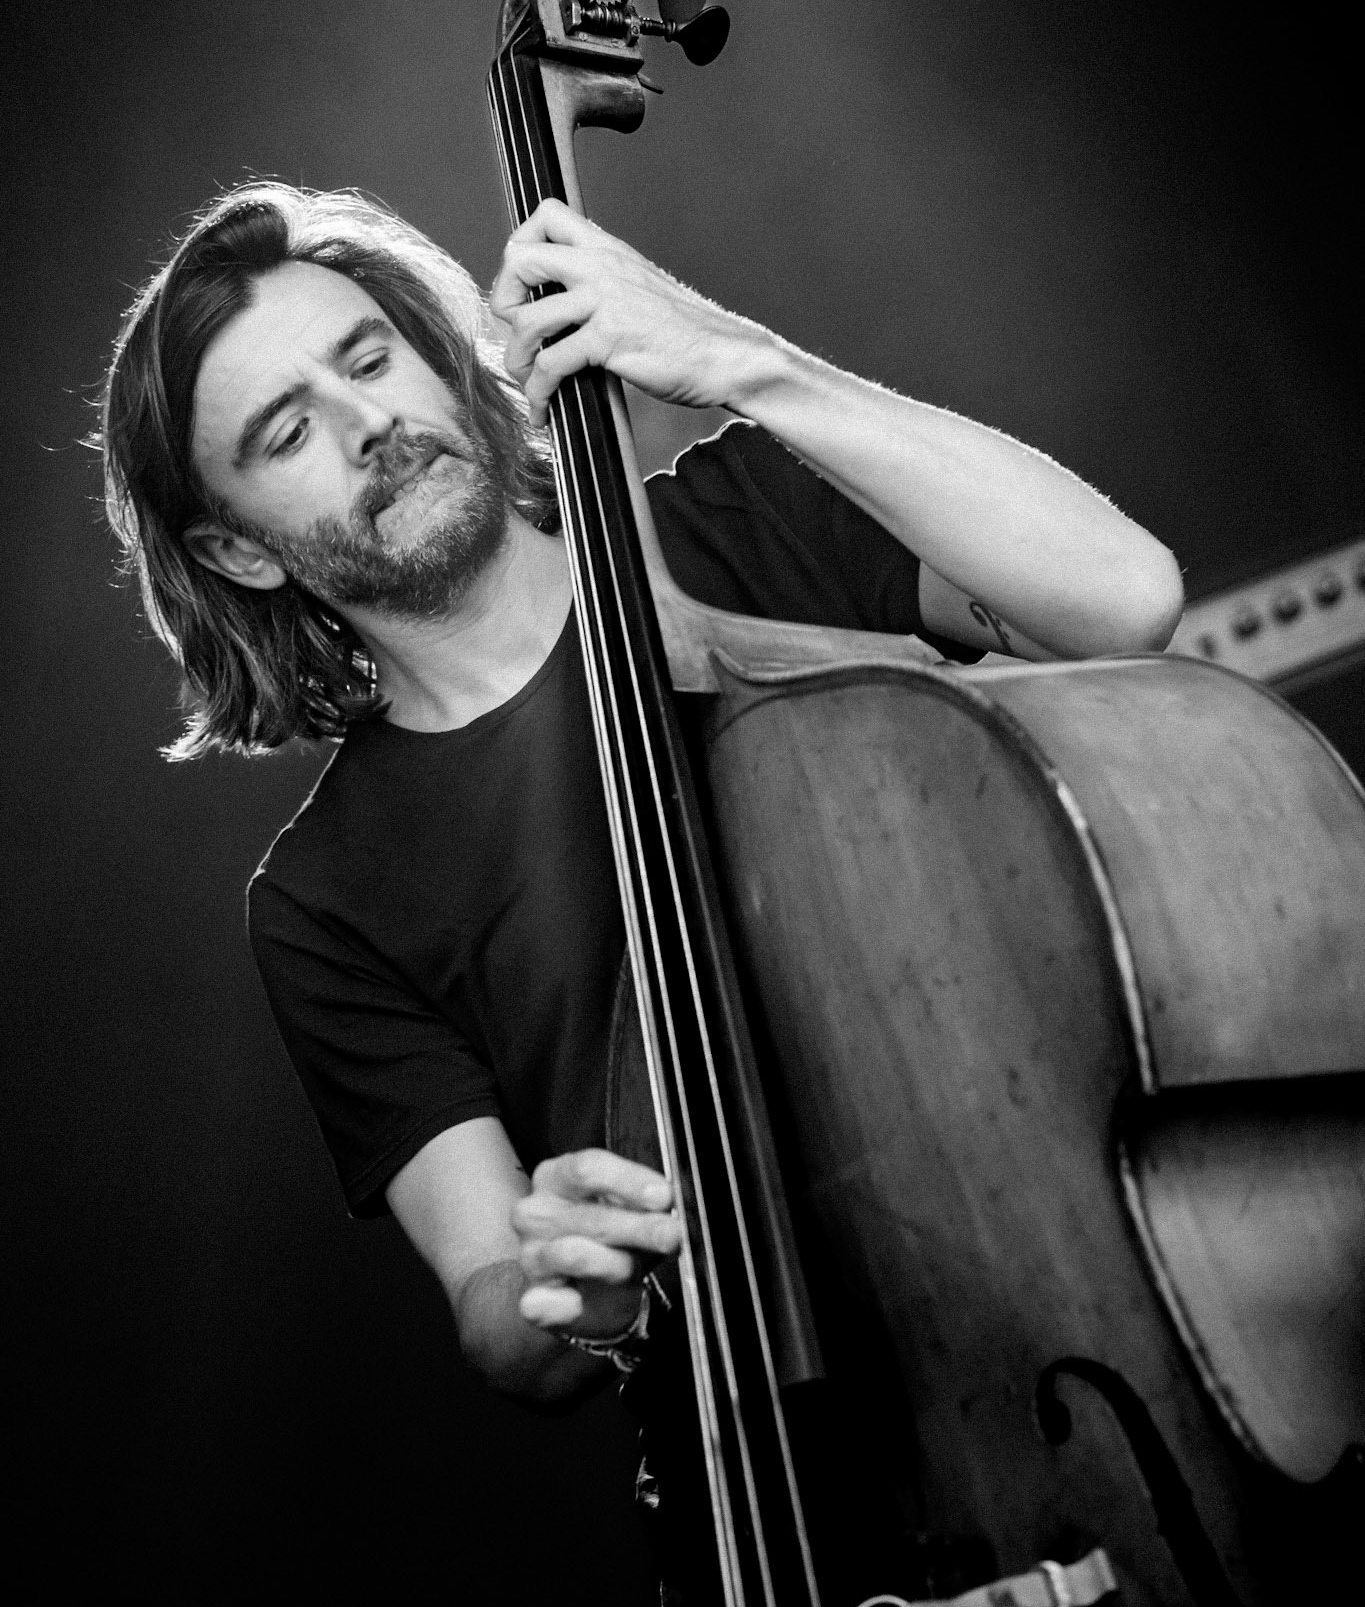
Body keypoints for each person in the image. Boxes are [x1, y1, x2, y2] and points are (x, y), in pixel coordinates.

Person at [99, 175, 1182, 1466]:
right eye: (289, 433)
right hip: (785, 1468)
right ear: (240, 553)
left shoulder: (743, 523)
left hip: (1083, 1271)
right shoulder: (321, 900)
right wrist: (564, 1278)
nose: (368, 421)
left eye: (370, 360)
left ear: (436, 361)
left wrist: (741, 361)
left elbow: (1123, 600)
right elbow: (495, 1307)